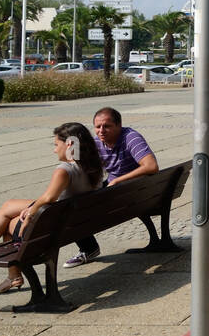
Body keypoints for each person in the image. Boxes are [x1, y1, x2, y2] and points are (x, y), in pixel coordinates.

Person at [0, 123, 104, 294]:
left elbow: (49, 198)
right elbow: (52, 198)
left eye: (56, 145)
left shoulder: (65, 170)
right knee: (9, 206)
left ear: (68, 145)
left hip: (58, 225)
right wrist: (33, 207)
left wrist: (30, 211)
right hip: (77, 220)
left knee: (8, 222)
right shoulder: (94, 165)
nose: (54, 150)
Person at [65, 107, 159, 266]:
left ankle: (88, 249)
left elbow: (151, 166)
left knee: (72, 208)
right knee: (75, 199)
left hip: (131, 195)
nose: (101, 131)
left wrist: (118, 180)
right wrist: (71, 149)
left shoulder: (130, 138)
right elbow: (74, 165)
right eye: (97, 127)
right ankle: (89, 248)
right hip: (126, 193)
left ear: (119, 125)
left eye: (107, 126)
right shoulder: (97, 142)